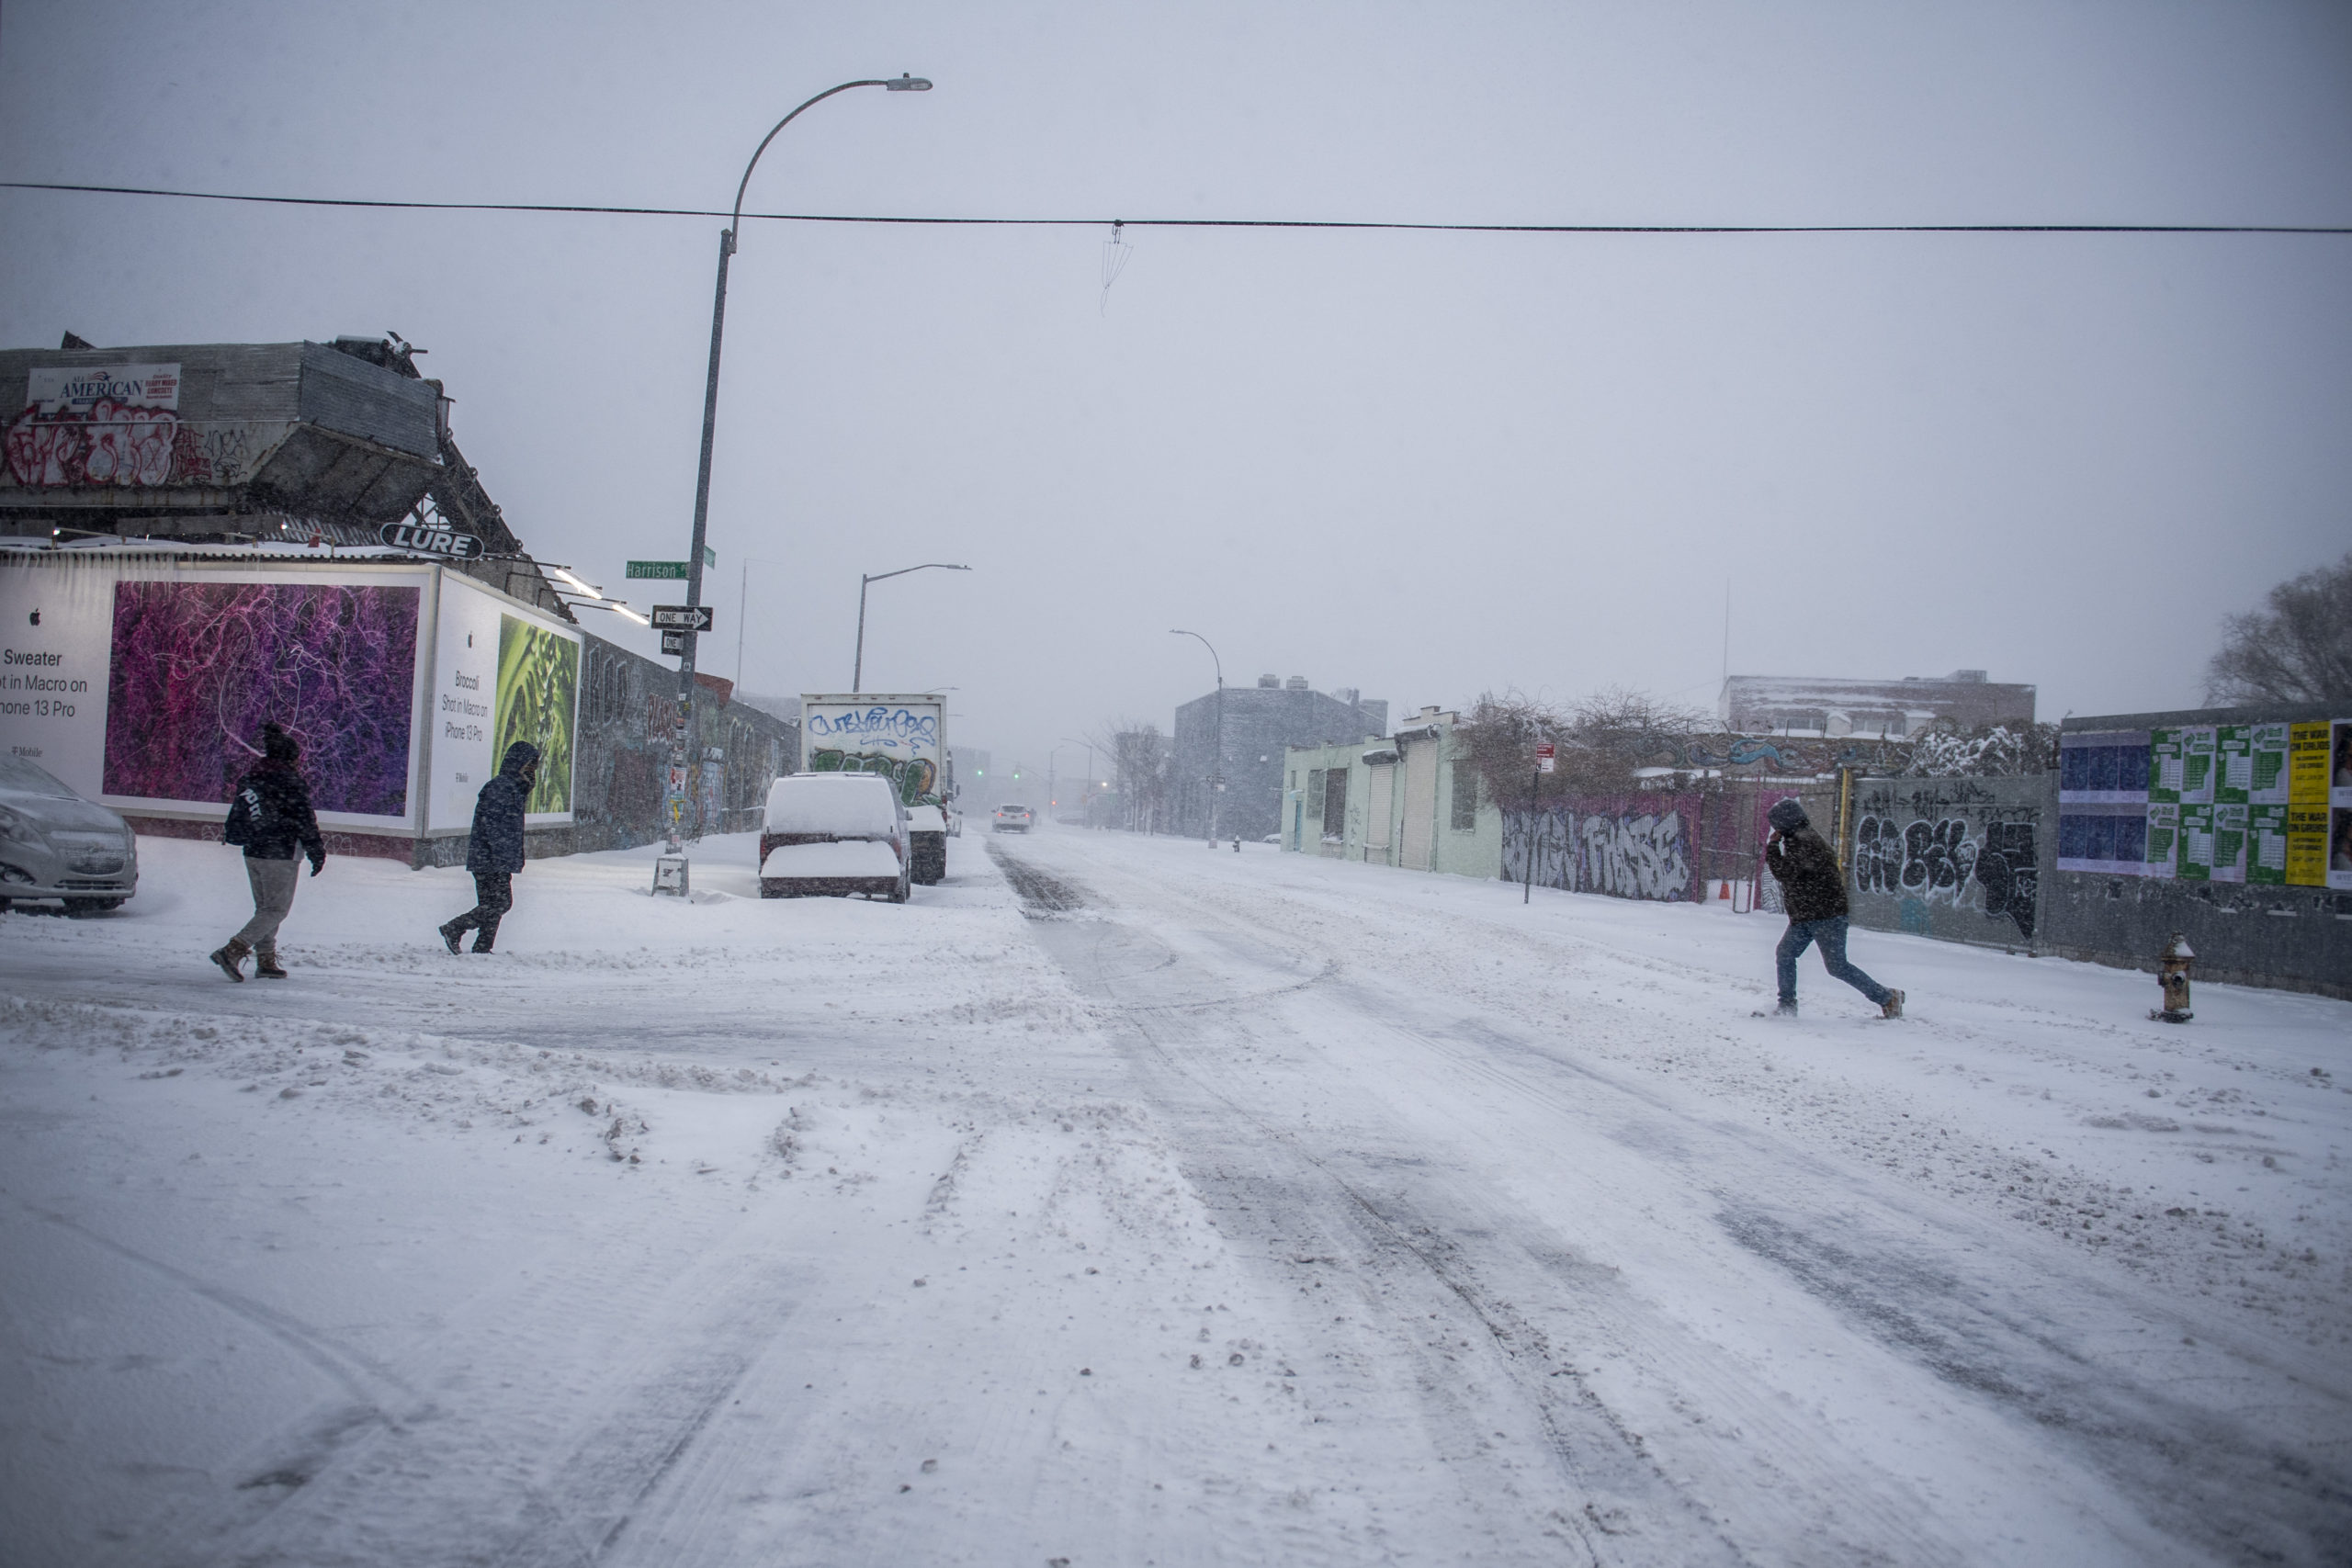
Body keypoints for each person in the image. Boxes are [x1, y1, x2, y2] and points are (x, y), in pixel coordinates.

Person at [1763, 797, 1903, 1019]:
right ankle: (1787, 1005)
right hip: (1807, 916)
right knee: (1785, 953)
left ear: (1786, 823)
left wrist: (1772, 847)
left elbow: (1784, 872)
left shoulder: (1804, 842)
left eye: (1777, 825)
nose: (1776, 830)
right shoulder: (1799, 839)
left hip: (1826, 916)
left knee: (1837, 967)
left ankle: (1887, 997)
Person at [210, 723, 325, 981]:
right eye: (296, 758)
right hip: (280, 853)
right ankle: (233, 950)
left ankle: (266, 960)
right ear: (289, 758)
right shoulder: (289, 782)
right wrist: (316, 851)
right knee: (276, 909)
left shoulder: (253, 778)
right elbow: (305, 820)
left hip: (253, 851)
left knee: (265, 908)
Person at [439, 741, 537, 953]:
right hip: (490, 858)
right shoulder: (502, 787)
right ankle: (454, 928)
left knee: (492, 904)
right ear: (518, 764)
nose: (531, 771)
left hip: (491, 858)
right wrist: (502, 857)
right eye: (529, 766)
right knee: (501, 903)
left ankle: (483, 947)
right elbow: (495, 827)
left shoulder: (510, 788)